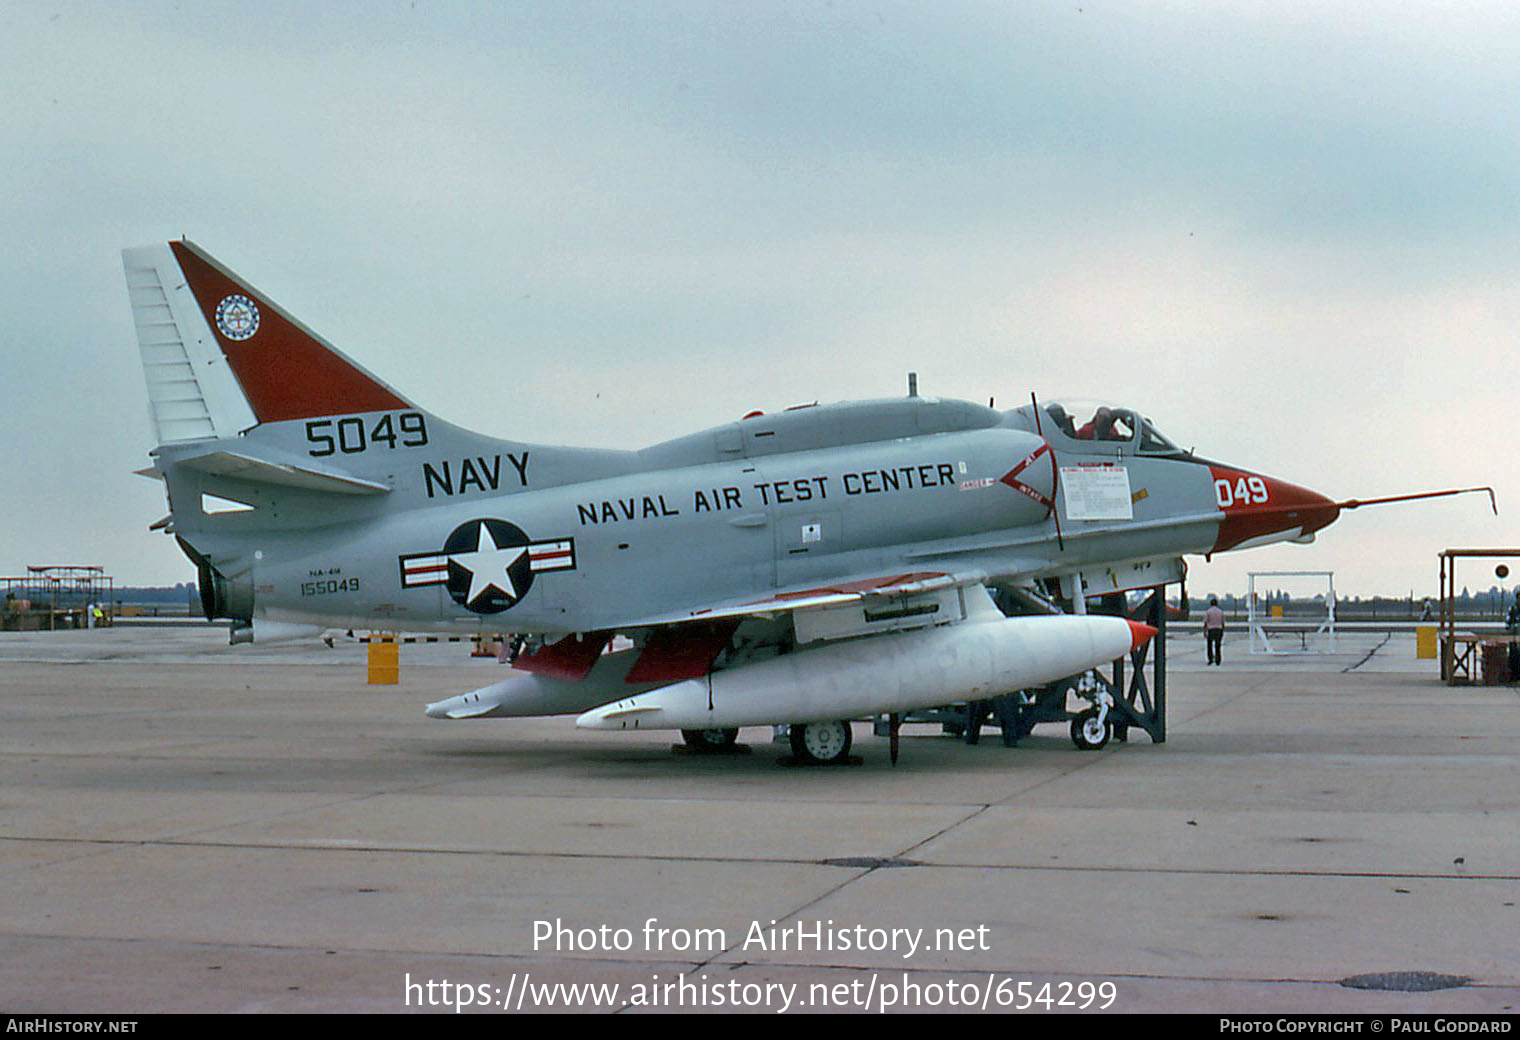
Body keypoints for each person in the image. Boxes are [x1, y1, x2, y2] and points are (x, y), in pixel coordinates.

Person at [1204, 597, 1226, 666]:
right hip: (1218, 629)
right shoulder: (1220, 612)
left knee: (1209, 646)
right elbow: (1223, 623)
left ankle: (1210, 659)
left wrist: (1205, 632)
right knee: (1218, 646)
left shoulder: (1208, 612)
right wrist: (1223, 631)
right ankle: (1218, 660)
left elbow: (1206, 623)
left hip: (1211, 629)